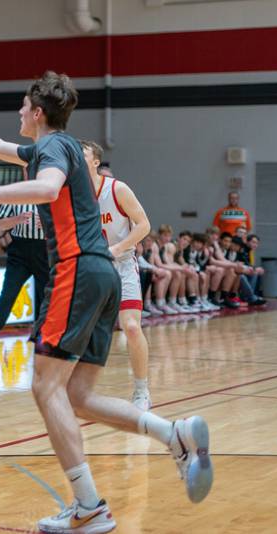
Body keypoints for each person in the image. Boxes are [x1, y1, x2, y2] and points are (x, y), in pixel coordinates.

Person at [0, 72, 212, 532]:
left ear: (37, 113)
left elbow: (45, 188)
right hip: (102, 275)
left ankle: (89, 506)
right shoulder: (59, 145)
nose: (19, 113)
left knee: (44, 387)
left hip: (76, 270)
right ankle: (170, 433)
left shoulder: (53, 149)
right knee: (77, 395)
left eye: (22, 107)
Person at [82, 140, 154, 410]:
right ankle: (77, 390)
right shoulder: (73, 192)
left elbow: (144, 225)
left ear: (96, 161)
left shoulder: (117, 189)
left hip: (121, 263)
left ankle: (141, 391)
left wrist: (117, 248)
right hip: (91, 267)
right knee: (82, 332)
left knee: (132, 327)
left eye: (83, 153)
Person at [0, 200, 47, 367]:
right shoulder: (17, 194)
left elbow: (66, 224)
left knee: (44, 301)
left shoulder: (51, 191)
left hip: (44, 250)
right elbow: (0, 224)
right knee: (6, 298)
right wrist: (18, 219)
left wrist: (48, 225)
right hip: (19, 251)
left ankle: (42, 345)